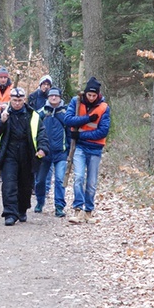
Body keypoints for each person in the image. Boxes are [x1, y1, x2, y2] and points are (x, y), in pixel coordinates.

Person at [0, 87, 49, 226]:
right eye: (14, 100)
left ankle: (22, 210)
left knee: (25, 186)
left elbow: (41, 133)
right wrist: (1, 122)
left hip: (27, 154)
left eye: (19, 100)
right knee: (9, 184)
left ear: (24, 100)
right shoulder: (5, 114)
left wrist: (42, 148)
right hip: (9, 153)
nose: (17, 103)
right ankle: (10, 213)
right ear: (10, 100)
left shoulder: (32, 115)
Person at [62, 77, 111, 224]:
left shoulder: (104, 108)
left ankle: (89, 210)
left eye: (94, 95)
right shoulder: (76, 102)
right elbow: (68, 120)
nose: (91, 98)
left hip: (95, 148)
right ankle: (77, 209)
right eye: (89, 95)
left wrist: (81, 135)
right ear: (85, 94)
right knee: (78, 177)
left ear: (98, 95)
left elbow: (103, 131)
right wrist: (87, 118)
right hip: (80, 147)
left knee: (91, 182)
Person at [35, 88, 69, 217]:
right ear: (48, 98)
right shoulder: (41, 113)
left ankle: (59, 206)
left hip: (61, 152)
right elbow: (34, 131)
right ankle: (40, 202)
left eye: (56, 96)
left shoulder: (66, 114)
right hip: (44, 152)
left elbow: (71, 133)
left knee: (60, 180)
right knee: (40, 180)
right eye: (51, 96)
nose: (53, 98)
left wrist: (69, 149)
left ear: (60, 97)